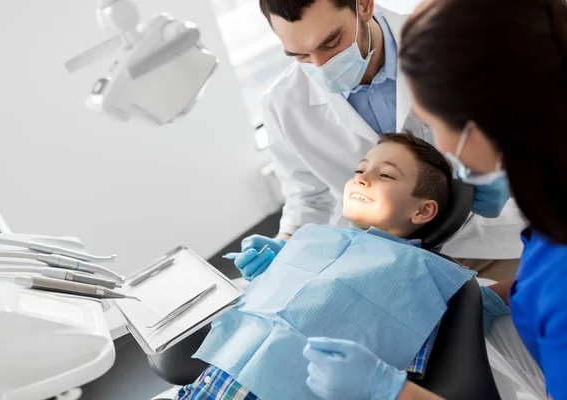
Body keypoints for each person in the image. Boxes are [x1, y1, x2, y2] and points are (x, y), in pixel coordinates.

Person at [303, 0, 567, 399]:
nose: (441, 146)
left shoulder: (559, 280)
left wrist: (392, 392)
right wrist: (483, 301)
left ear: (484, 123)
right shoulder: (553, 220)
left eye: (436, 125)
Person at [174, 133, 506, 400]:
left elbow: (474, 315)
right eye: (360, 170)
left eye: (386, 175)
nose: (363, 179)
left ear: (422, 212)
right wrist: (272, 270)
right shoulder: (312, 241)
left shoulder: (424, 275)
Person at [237, 0, 525, 282]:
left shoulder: (456, 44)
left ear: (364, 6)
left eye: (331, 42)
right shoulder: (284, 104)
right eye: (300, 56)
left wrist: (509, 176)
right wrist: (286, 240)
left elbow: (539, 125)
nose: (321, 66)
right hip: (388, 264)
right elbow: (309, 197)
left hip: (497, 239)